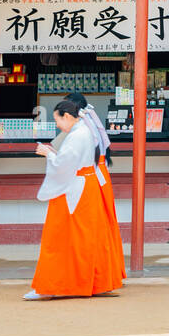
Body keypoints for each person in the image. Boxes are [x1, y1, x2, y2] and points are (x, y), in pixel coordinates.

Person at [24, 100, 123, 300]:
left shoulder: (77, 135)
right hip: (87, 186)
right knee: (89, 238)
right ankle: (97, 283)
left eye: (58, 120)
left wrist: (48, 154)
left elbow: (63, 164)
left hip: (74, 188)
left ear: (67, 116)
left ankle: (49, 285)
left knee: (57, 237)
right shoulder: (86, 131)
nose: (58, 125)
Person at [64, 92, 126, 281]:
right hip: (99, 176)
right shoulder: (88, 122)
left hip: (88, 178)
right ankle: (108, 272)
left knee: (90, 229)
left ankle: (94, 274)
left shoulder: (81, 128)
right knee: (103, 225)